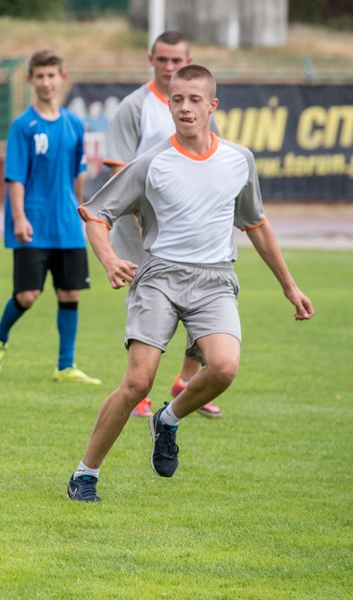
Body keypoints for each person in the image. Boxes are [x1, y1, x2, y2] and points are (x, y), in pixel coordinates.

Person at [67, 65, 313, 503]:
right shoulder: (152, 162)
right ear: (169, 104)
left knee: (224, 368)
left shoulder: (239, 160)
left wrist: (289, 286)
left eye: (194, 100)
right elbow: (96, 214)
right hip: (160, 276)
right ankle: (85, 474)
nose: (184, 107)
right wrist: (108, 260)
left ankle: (169, 419)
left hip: (215, 280)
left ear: (211, 106)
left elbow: (256, 225)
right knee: (137, 382)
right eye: (177, 99)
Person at [105, 31, 221, 419]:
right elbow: (119, 169)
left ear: (188, 60)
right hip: (139, 222)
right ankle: (138, 388)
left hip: (187, 224)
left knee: (203, 294)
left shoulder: (199, 106)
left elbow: (208, 159)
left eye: (177, 61)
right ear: (150, 59)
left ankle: (187, 380)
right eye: (163, 60)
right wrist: (139, 215)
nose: (170, 67)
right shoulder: (134, 106)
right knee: (146, 300)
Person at [0, 50, 99, 385]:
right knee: (28, 295)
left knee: (70, 292)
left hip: (66, 223)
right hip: (32, 221)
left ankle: (65, 365)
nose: (46, 82)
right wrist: (18, 217)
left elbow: (79, 171)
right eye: (40, 76)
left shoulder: (75, 124)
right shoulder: (23, 126)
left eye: (52, 75)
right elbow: (15, 176)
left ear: (62, 77)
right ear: (31, 80)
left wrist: (81, 209)